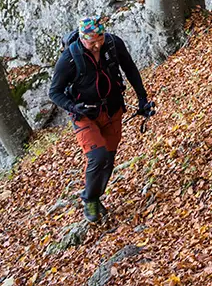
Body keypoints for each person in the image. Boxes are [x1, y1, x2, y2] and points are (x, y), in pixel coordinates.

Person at [47, 16, 154, 224]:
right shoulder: (70, 58)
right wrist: (72, 107)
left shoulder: (113, 44)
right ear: (81, 38)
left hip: (113, 109)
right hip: (84, 115)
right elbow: (54, 92)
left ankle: (96, 195)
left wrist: (142, 98)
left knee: (109, 159)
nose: (97, 45)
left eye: (100, 39)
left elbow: (130, 69)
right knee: (97, 156)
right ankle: (90, 199)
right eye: (91, 41)